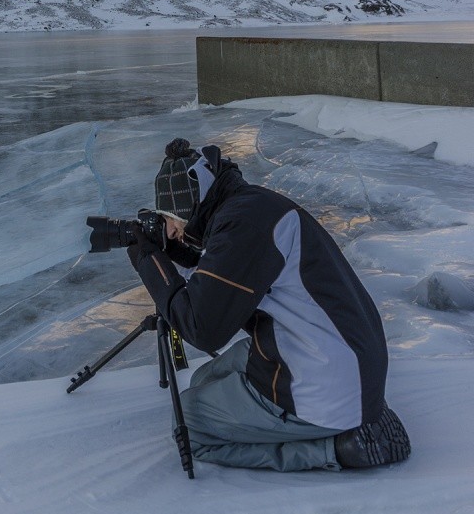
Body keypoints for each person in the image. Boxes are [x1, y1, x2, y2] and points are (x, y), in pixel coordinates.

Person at [127, 140, 411, 472]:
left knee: (187, 420)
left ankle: (337, 448)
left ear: (197, 202)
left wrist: (149, 261)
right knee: (204, 378)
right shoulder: (250, 208)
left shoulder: (242, 227)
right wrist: (173, 253)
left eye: (174, 217)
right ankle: (347, 416)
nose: (172, 229)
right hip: (343, 357)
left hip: (322, 382)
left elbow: (202, 328)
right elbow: (224, 276)